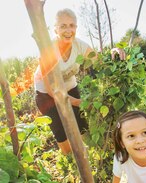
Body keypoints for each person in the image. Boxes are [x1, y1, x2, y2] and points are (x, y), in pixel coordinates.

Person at [34, 8, 125, 155]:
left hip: (69, 86)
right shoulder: (48, 50)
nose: (68, 30)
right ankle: (70, 161)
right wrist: (80, 103)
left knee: (82, 126)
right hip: (46, 94)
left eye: (72, 25)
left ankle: (90, 157)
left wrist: (113, 51)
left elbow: (101, 62)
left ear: (76, 28)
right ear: (55, 29)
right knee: (62, 135)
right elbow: (53, 91)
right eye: (63, 26)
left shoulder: (80, 45)